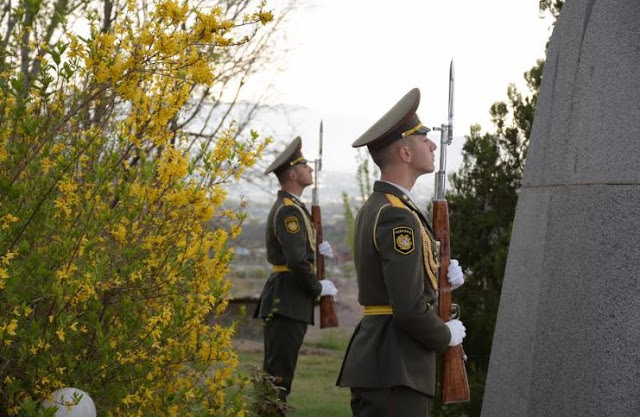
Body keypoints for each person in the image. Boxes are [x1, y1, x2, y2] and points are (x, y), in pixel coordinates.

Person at [336, 88, 467, 417]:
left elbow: (400, 281)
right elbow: (407, 307)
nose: (433, 144)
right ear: (405, 153)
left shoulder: (384, 206)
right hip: (394, 366)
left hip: (388, 363)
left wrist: (440, 277)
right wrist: (444, 336)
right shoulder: (397, 215)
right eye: (424, 139)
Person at [254, 136, 338, 413]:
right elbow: (294, 260)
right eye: (304, 165)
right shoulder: (288, 211)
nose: (310, 169)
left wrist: (315, 251)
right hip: (287, 300)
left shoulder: (295, 208)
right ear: (292, 173)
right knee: (277, 377)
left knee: (279, 376)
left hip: (289, 299)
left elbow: (300, 253)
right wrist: (318, 288)